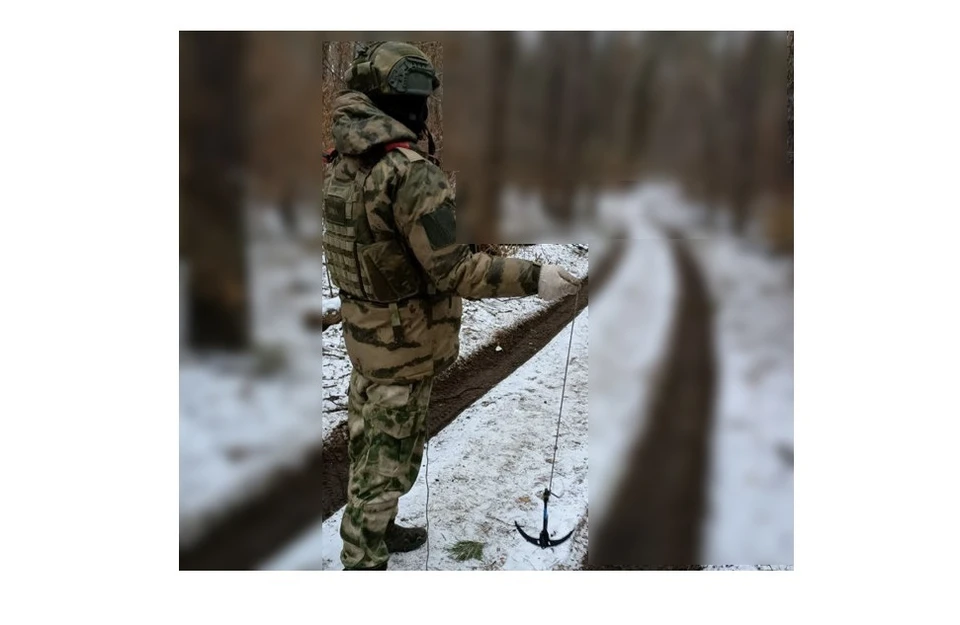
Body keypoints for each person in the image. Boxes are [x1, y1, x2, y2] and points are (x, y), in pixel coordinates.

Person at [321, 41, 581, 570]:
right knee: (388, 462)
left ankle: (382, 530)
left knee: (368, 444)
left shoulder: (345, 160)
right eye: (415, 99)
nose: (421, 111)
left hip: (365, 336)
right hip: (404, 343)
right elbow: (456, 268)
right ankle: (362, 561)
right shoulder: (408, 172)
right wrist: (537, 277)